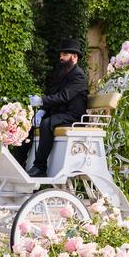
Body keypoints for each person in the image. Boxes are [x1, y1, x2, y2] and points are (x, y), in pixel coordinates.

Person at [24, 39, 88, 178]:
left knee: (47, 123)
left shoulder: (79, 76)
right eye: (61, 54)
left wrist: (41, 100)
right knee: (28, 124)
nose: (61, 57)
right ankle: (20, 164)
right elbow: (53, 94)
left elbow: (64, 96)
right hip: (59, 114)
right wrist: (42, 110)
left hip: (73, 116)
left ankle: (40, 167)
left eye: (64, 54)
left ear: (74, 57)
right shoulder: (61, 73)